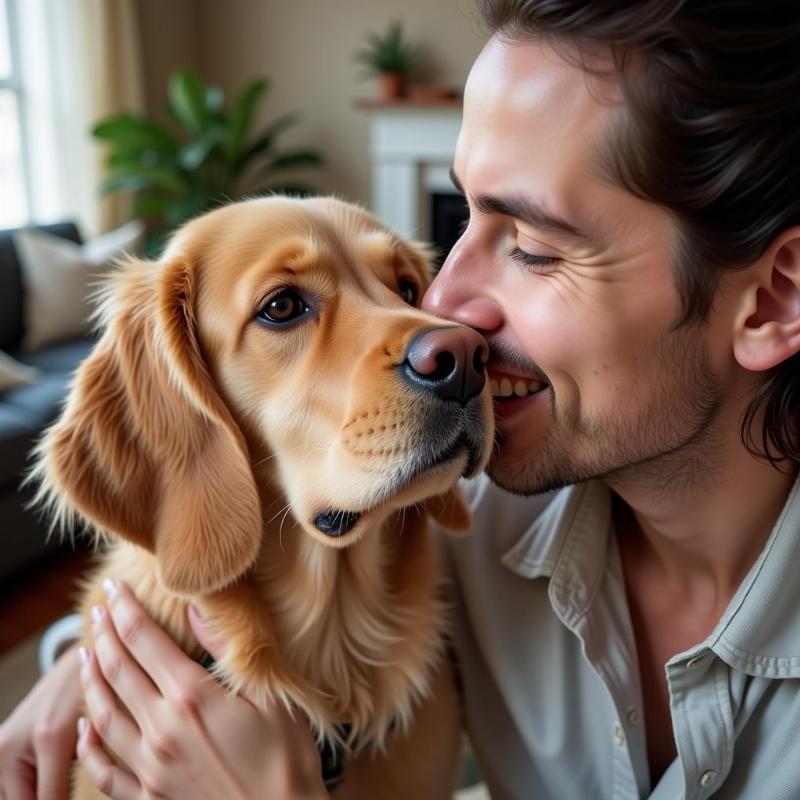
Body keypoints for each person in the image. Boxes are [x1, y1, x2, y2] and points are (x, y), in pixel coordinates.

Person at [3, 0, 800, 797]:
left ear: (772, 300)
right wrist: (93, 661)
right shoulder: (478, 504)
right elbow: (215, 555)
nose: (442, 310)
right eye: (463, 224)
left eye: (534, 247)